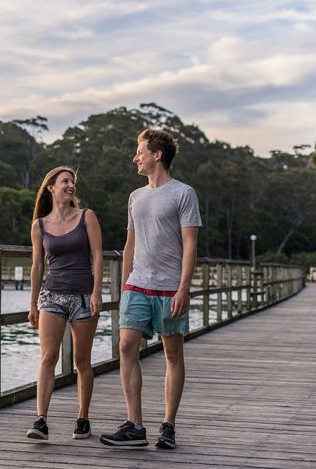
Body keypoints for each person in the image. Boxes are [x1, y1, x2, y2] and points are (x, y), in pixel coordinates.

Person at [100, 128, 201, 449]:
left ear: (157, 155)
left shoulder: (183, 194)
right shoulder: (135, 196)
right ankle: (135, 425)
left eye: (140, 151)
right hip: (137, 286)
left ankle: (168, 425)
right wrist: (124, 286)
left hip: (169, 288)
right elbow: (129, 244)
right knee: (126, 347)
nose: (135, 157)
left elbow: (190, 245)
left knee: (173, 353)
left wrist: (184, 288)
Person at [26, 166, 104, 441]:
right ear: (51, 188)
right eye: (65, 181)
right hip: (52, 296)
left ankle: (83, 418)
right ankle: (40, 420)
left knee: (82, 360)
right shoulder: (40, 225)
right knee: (48, 357)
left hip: (83, 296)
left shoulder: (87, 217)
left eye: (73, 181)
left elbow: (97, 255)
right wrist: (33, 303)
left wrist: (97, 292)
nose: (71, 185)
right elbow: (37, 265)